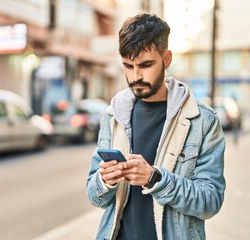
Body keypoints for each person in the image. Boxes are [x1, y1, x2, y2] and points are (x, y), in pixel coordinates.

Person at [86, 13, 226, 240]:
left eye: (145, 65)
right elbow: (95, 197)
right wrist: (105, 181)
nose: (135, 76)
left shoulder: (203, 120)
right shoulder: (113, 115)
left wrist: (155, 179)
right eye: (128, 66)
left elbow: (210, 201)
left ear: (167, 58)